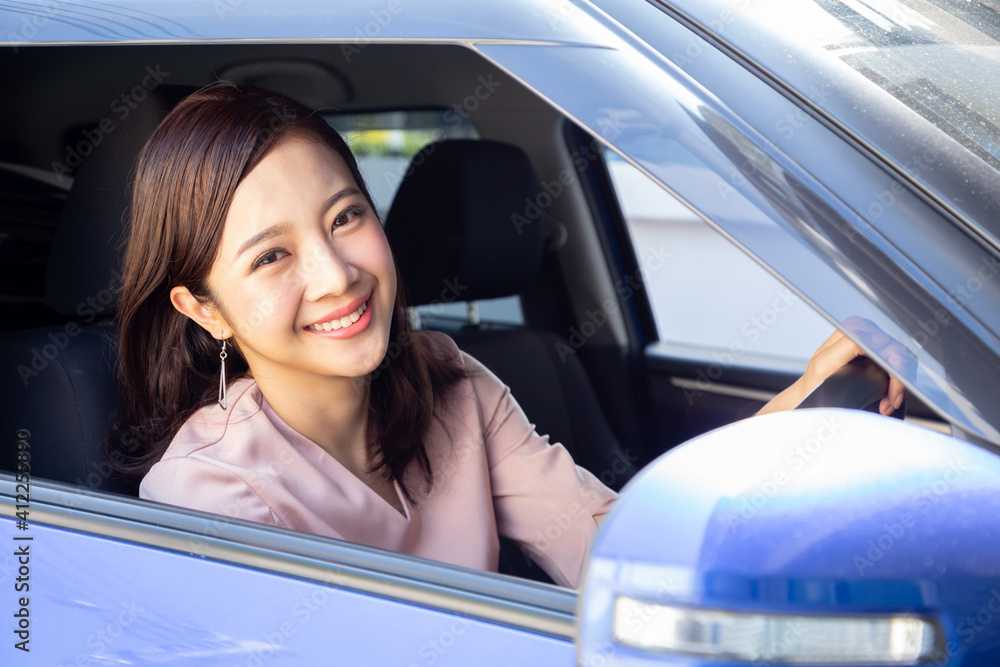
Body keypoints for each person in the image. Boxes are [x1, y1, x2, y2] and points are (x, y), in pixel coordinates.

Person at [110, 83, 904, 589]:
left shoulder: (450, 381)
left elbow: (618, 548)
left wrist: (809, 400)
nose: (336, 274)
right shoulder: (207, 496)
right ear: (204, 308)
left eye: (346, 216)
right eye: (273, 255)